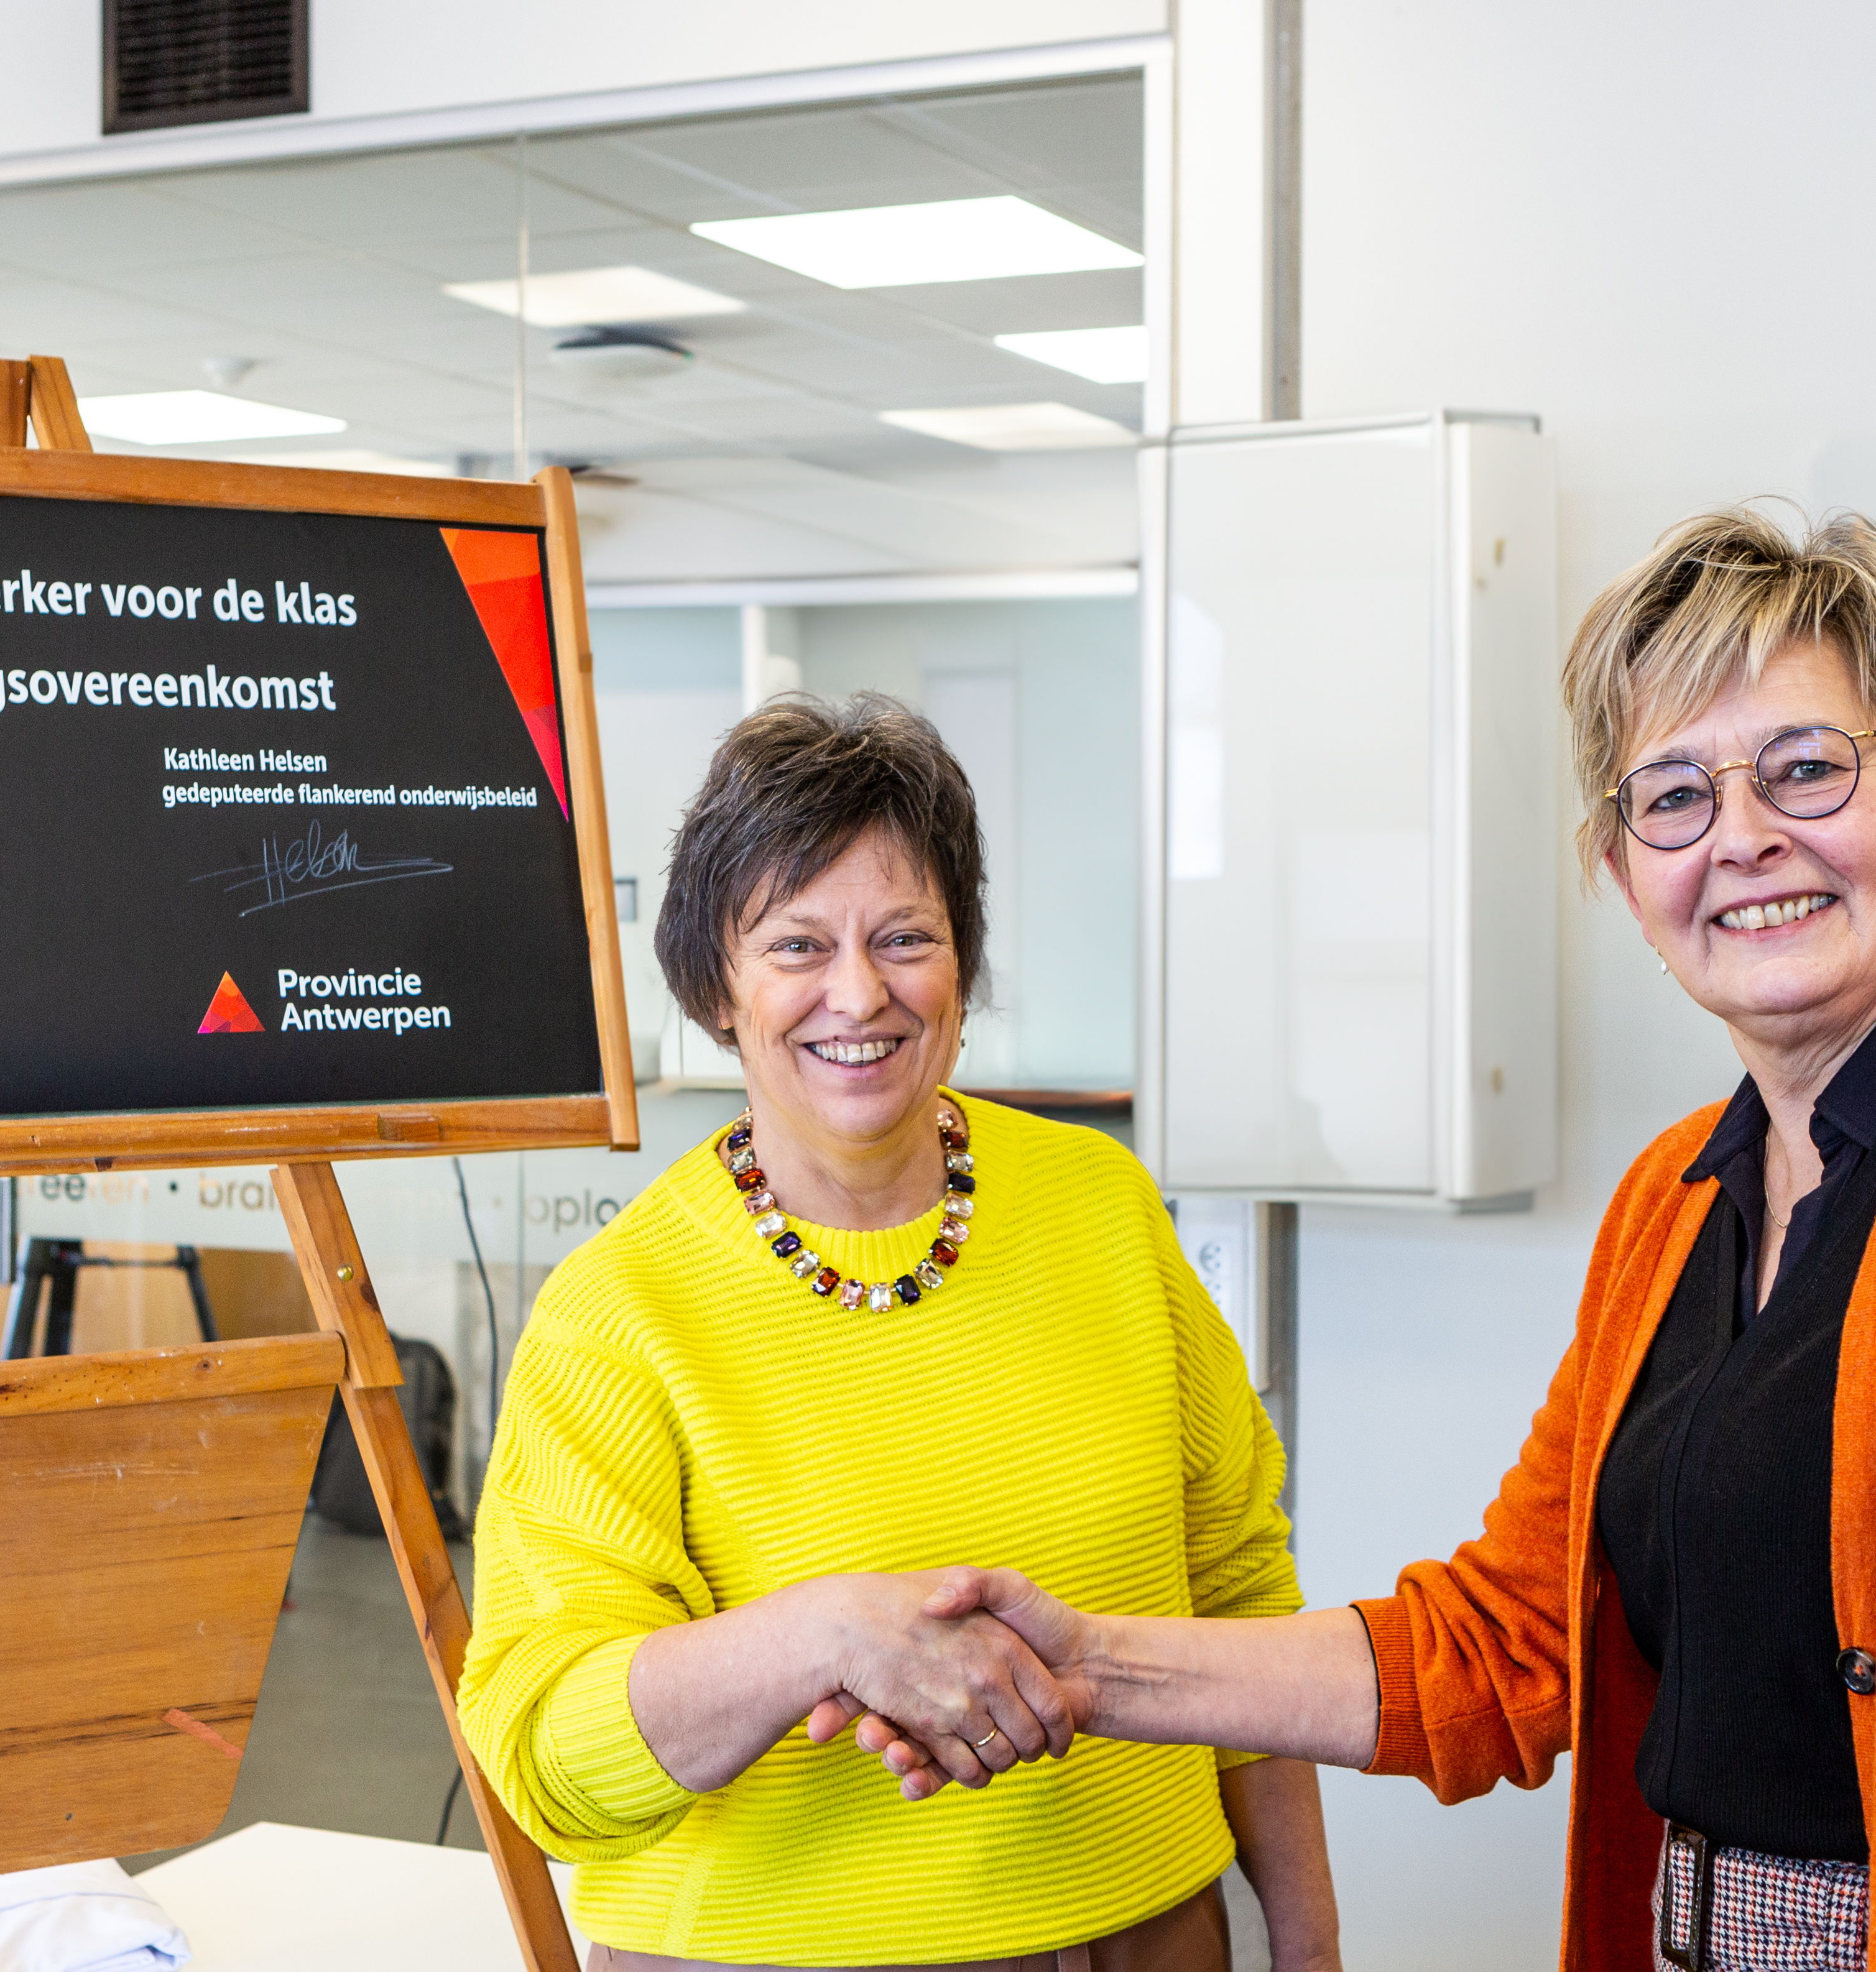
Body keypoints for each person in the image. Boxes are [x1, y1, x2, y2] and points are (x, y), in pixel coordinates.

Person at [861, 510, 1876, 1972]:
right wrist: (1085, 1663)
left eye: (1806, 766)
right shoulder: (1675, 1196)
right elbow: (1500, 1644)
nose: (1741, 835)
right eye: (1672, 794)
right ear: (1624, 872)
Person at [457, 693, 1342, 1971]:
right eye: (797, 944)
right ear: (717, 983)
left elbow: (1242, 1587)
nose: (858, 992)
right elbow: (543, 1744)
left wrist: (1312, 1946)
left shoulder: (1101, 1205)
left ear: (963, 964)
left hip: (1151, 1938)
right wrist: (823, 1635)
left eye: (905, 935)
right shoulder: (620, 1305)